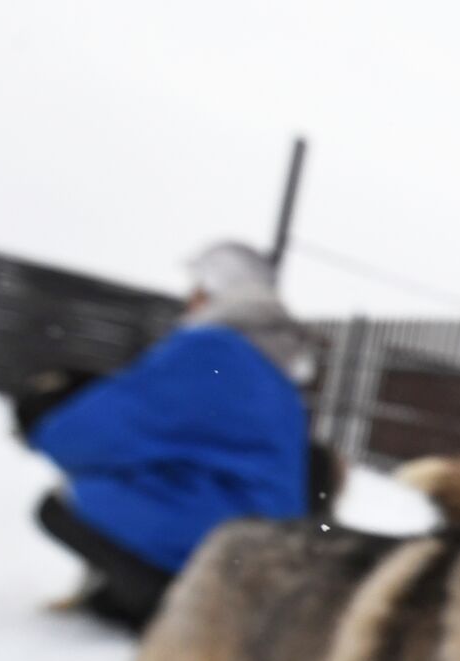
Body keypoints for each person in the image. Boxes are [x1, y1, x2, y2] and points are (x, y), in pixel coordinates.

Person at [23, 241, 318, 630]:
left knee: (63, 503)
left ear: (216, 294)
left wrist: (43, 413)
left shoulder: (209, 348)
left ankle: (159, 600)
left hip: (217, 539)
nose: (188, 304)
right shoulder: (277, 373)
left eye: (196, 292)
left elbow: (89, 436)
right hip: (265, 548)